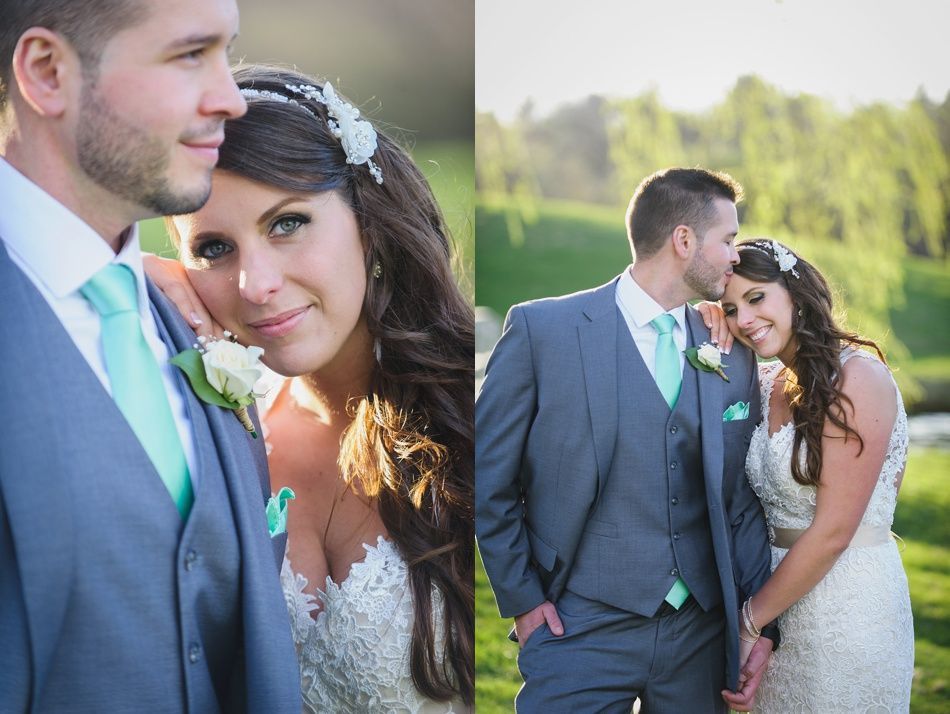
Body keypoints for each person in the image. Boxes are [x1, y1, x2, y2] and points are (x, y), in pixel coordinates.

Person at [0, 1, 300, 712]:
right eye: (189, 55)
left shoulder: (191, 315)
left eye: (227, 52)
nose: (230, 98)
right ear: (47, 73)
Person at [148, 63, 475, 712]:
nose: (256, 285)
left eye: (287, 223)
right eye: (214, 248)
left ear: (367, 220)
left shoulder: (476, 415)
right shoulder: (211, 432)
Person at [475, 167, 778, 712]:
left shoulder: (729, 348)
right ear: (683, 241)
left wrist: (762, 624)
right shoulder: (544, 332)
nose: (736, 255)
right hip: (577, 626)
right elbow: (487, 478)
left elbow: (742, 498)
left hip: (701, 634)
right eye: (728, 240)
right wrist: (523, 599)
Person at [706, 239, 913, 712]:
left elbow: (834, 532)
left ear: (795, 291)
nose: (744, 321)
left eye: (756, 298)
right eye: (731, 309)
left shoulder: (859, 379)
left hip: (848, 605)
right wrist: (704, 315)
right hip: (774, 604)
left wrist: (746, 624)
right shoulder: (763, 381)